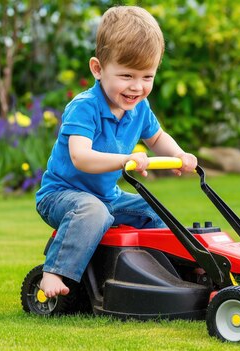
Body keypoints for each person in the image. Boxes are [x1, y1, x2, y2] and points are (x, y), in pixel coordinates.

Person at [35, 6, 197, 299]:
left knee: (154, 210)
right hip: (61, 195)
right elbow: (80, 157)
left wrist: (181, 155)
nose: (137, 87)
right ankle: (53, 271)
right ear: (98, 69)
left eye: (147, 77)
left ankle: (169, 272)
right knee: (91, 210)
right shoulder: (85, 107)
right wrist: (127, 160)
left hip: (108, 197)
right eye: (126, 75)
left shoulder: (139, 109)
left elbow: (157, 137)